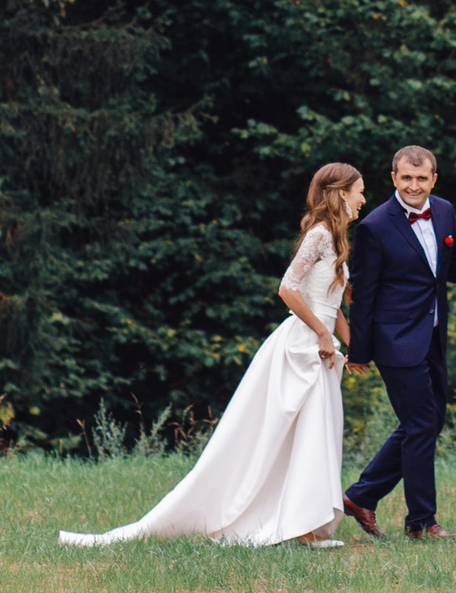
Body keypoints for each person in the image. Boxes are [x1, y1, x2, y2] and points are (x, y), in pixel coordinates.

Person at [59, 162, 365, 549]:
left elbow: (331, 306)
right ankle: (284, 522)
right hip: (301, 347)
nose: (363, 199)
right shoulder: (319, 235)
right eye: (359, 191)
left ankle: (304, 525)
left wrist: (355, 347)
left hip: (320, 349)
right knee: (292, 435)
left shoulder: (336, 241)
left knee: (313, 435)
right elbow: (288, 289)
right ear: (341, 193)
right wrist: (321, 332)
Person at [340, 144, 456, 542]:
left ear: (434, 179)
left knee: (429, 423)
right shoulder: (374, 227)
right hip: (394, 340)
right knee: (420, 424)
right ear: (393, 178)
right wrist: (359, 351)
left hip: (432, 334)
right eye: (406, 178)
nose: (414, 186)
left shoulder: (444, 211)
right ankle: (421, 523)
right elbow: (363, 295)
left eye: (421, 178)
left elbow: (445, 269)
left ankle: (361, 496)